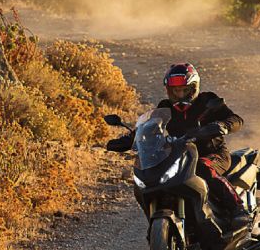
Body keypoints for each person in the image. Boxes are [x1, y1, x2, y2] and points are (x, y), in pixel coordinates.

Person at [107, 62, 252, 232]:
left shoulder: (207, 101)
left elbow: (236, 119)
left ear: (194, 88)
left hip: (213, 153)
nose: (180, 94)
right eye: (175, 91)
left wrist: (223, 125)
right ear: (169, 91)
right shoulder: (165, 106)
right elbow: (150, 127)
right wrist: (129, 139)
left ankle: (238, 210)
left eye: (185, 90)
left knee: (204, 169)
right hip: (182, 155)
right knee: (151, 179)